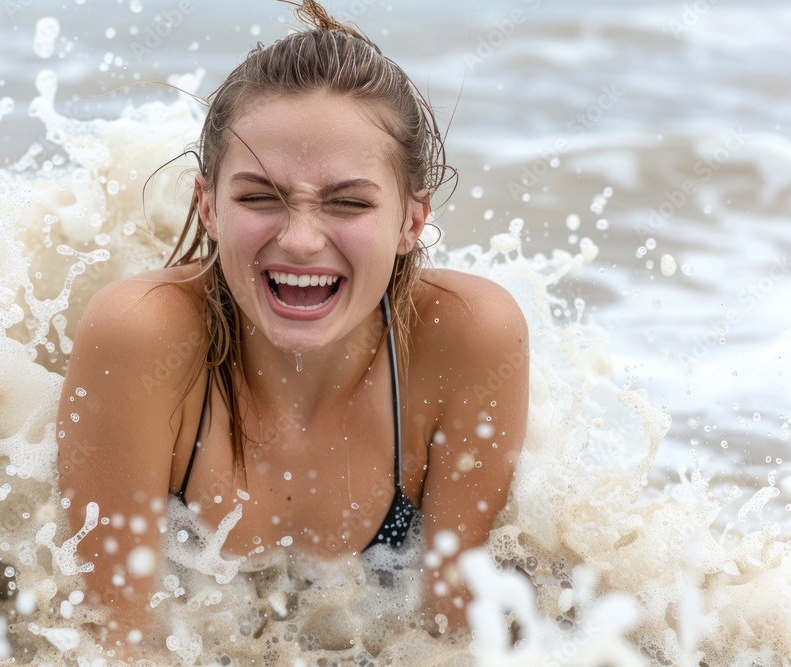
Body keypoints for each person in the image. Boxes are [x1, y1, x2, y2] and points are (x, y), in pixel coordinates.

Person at [57, 0, 528, 655]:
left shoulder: (467, 338)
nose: (301, 241)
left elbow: (453, 638)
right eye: (259, 197)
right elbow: (109, 641)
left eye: (348, 202)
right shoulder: (140, 337)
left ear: (411, 221)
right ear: (208, 205)